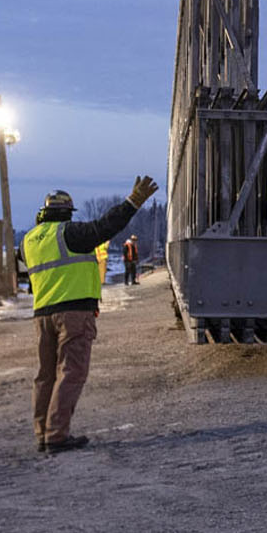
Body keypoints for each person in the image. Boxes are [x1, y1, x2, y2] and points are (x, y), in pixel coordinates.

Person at [25, 176, 158, 455]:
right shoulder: (69, 233)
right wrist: (132, 202)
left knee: (45, 375)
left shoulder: (29, 240)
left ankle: (43, 433)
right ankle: (57, 435)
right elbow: (105, 227)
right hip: (73, 313)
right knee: (72, 372)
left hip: (42, 315)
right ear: (66, 214)